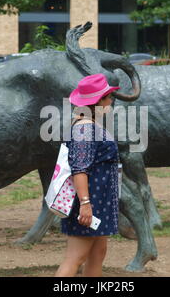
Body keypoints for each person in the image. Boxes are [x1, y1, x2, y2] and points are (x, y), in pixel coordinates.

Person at [55, 73, 121, 277]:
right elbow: (80, 170)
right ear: (97, 102)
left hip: (99, 202)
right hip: (89, 202)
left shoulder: (90, 125)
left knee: (97, 253)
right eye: (108, 97)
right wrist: (85, 203)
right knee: (76, 257)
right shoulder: (84, 129)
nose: (110, 101)